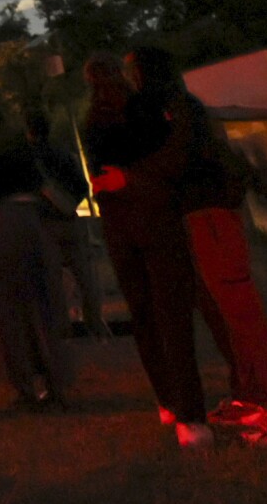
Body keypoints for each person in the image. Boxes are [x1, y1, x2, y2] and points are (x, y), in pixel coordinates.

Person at [124, 46, 267, 448]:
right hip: (198, 215)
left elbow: (180, 157)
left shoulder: (179, 109)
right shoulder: (180, 107)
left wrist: (133, 174)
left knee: (241, 313)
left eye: (134, 71)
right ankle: (252, 396)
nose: (132, 80)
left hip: (211, 213)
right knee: (224, 313)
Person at [80, 53, 211, 450]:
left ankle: (167, 400)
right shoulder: (146, 109)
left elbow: (100, 174)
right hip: (155, 219)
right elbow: (168, 161)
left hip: (119, 225)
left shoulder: (92, 123)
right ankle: (190, 415)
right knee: (172, 315)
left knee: (144, 315)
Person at [0, 89, 70, 411]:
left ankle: (25, 386)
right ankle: (56, 382)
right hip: (29, 219)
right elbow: (37, 177)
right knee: (41, 302)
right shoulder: (18, 137)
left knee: (9, 309)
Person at [23, 108, 110, 339]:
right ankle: (95, 324)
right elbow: (82, 186)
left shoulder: (28, 159)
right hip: (70, 220)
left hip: (45, 224)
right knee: (85, 277)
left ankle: (62, 330)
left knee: (53, 282)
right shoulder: (62, 153)